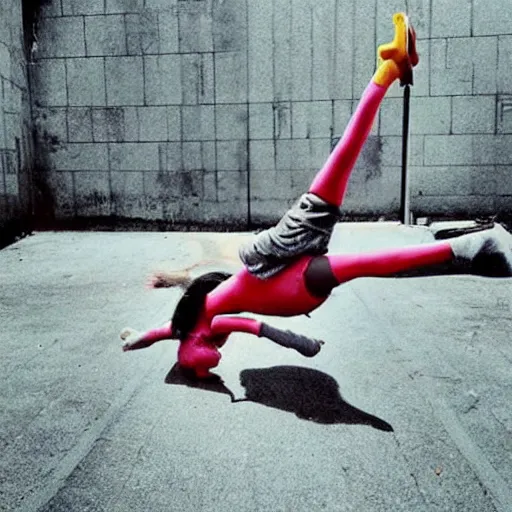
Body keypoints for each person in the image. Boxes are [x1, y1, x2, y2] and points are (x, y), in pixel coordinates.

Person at [121, 13, 512, 378]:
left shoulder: (198, 324)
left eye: (195, 368)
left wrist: (302, 344)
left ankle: (480, 245)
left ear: (185, 350)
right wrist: (137, 337)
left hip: (280, 264)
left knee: (346, 185)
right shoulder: (192, 326)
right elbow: (162, 331)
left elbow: (252, 327)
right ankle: (391, 68)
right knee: (361, 240)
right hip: (291, 279)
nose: (208, 366)